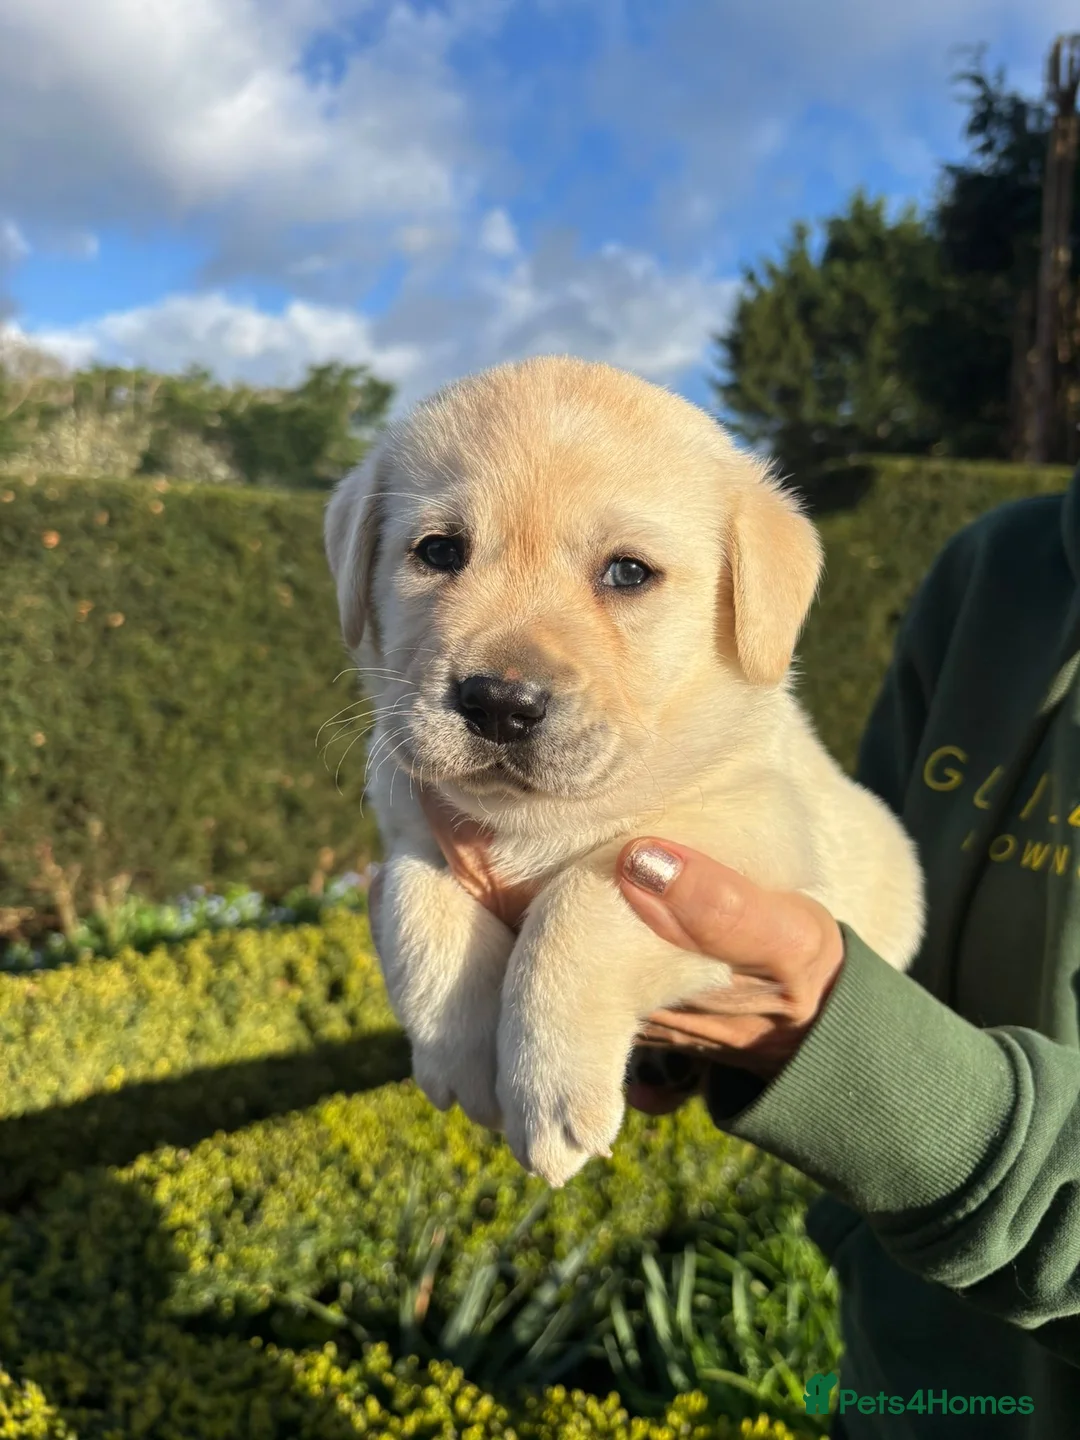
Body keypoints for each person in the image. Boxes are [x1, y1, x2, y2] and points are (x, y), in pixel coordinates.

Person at [366, 470, 1080, 1437]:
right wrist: (686, 1025)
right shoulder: (999, 571)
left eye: (627, 570)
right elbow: (846, 863)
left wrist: (829, 1043)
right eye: (441, 551)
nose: (507, 663)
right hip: (904, 1373)